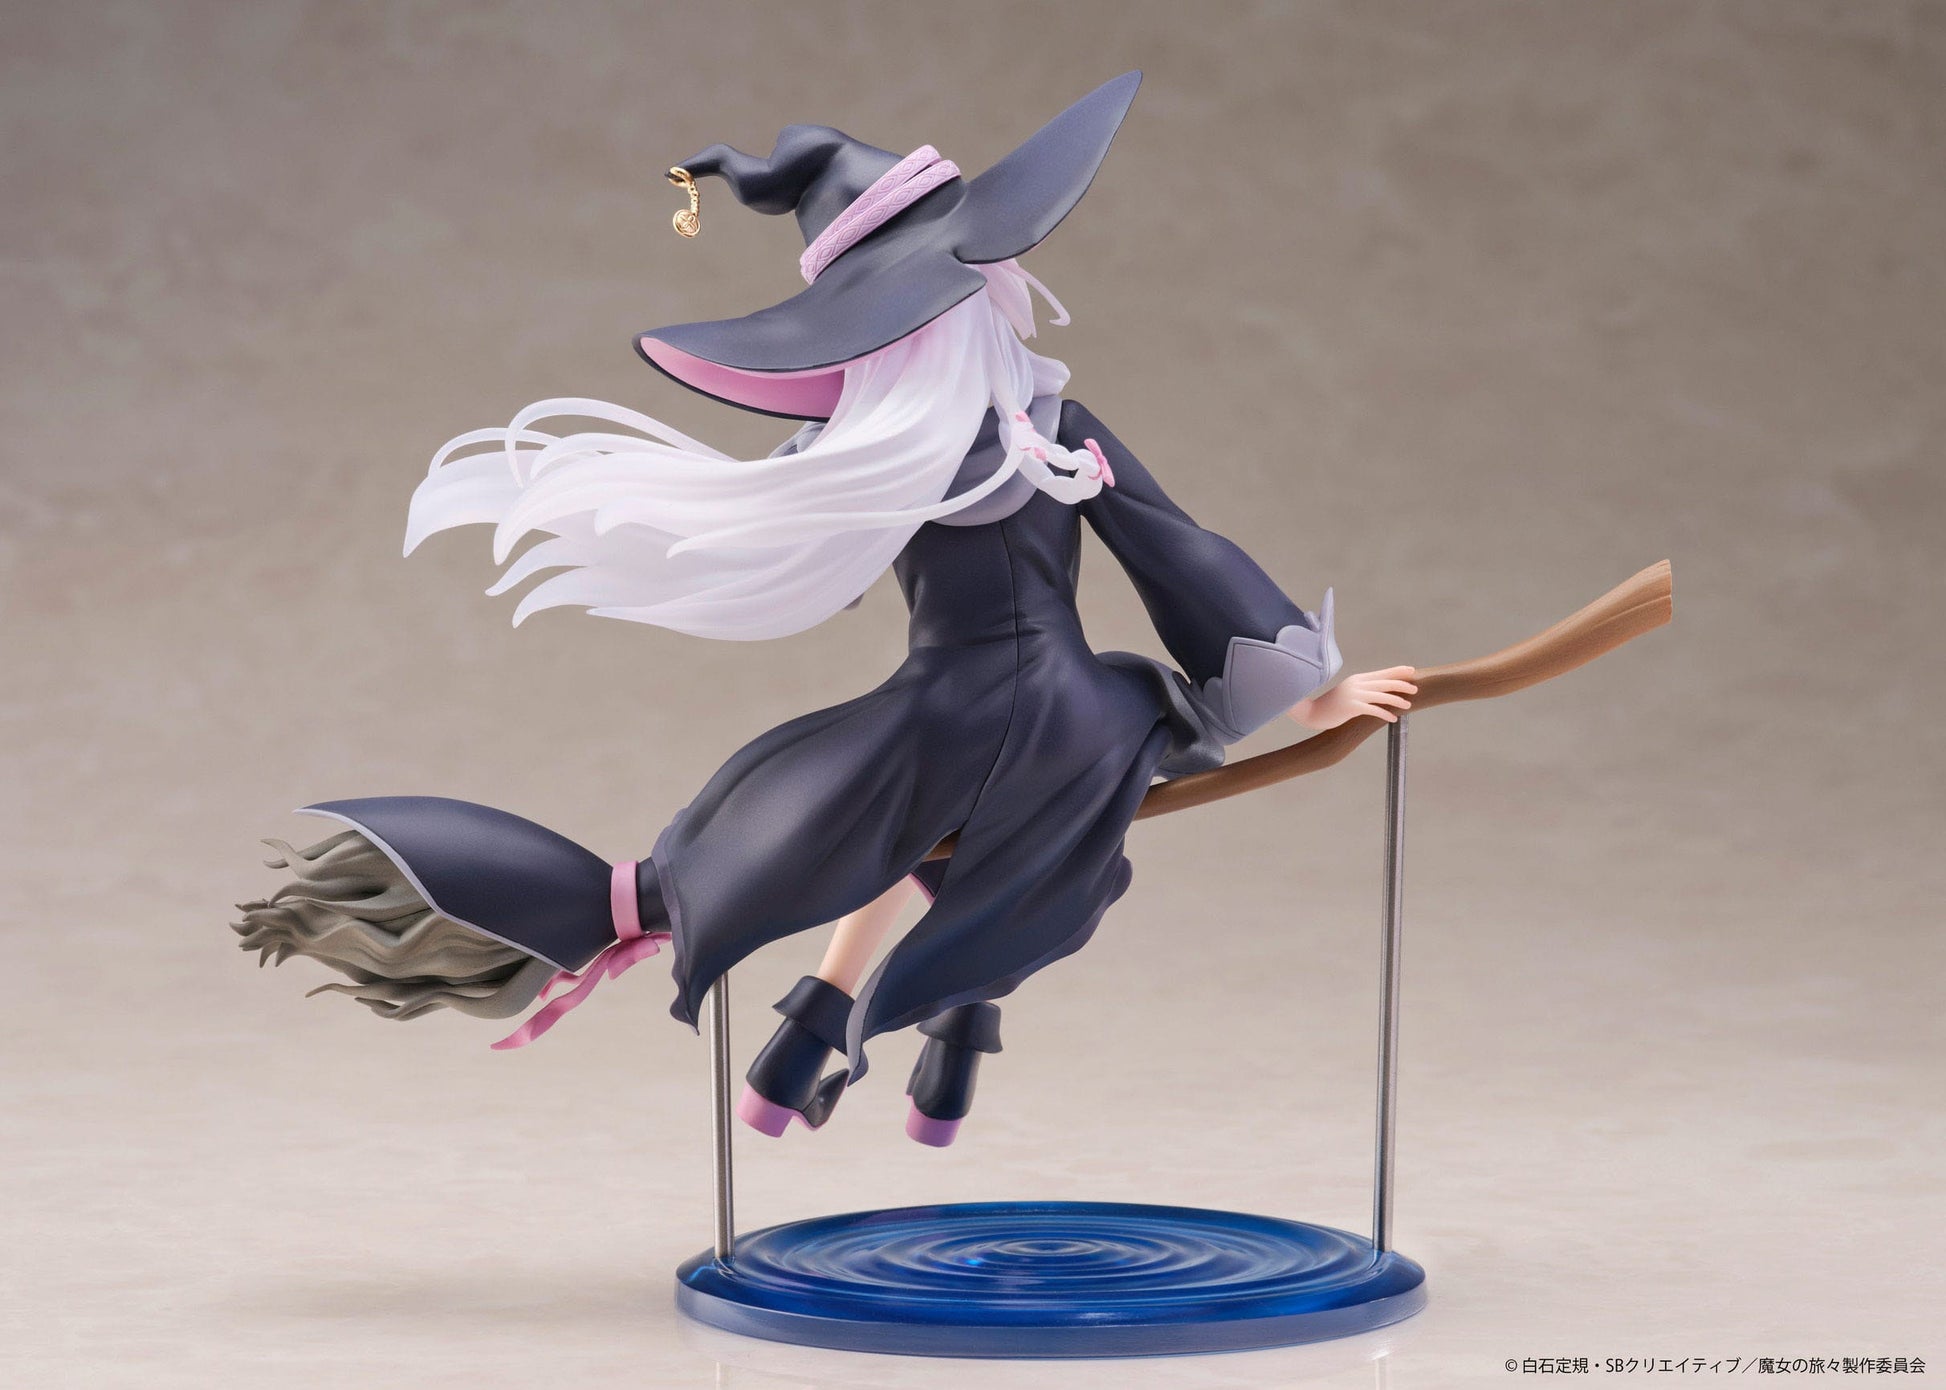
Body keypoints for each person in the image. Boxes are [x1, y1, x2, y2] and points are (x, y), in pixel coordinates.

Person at [234, 72, 1415, 1148]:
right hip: (1063, 714)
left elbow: (1139, 551)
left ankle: (825, 1033)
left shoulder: (864, 456)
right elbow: (1176, 550)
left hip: (937, 715)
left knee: (885, 828)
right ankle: (924, 1033)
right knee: (993, 837)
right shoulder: (1038, 434)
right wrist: (1309, 690)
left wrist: (1316, 697)